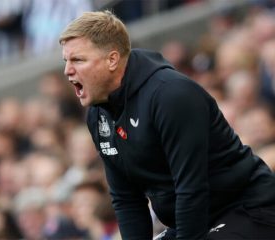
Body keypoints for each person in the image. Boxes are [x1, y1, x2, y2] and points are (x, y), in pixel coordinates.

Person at [59, 10, 275, 239]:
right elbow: (127, 199)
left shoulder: (170, 94)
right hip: (197, 219)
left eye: (78, 60)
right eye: (66, 61)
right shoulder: (98, 114)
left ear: (112, 59)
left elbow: (191, 188)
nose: (67, 71)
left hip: (248, 209)